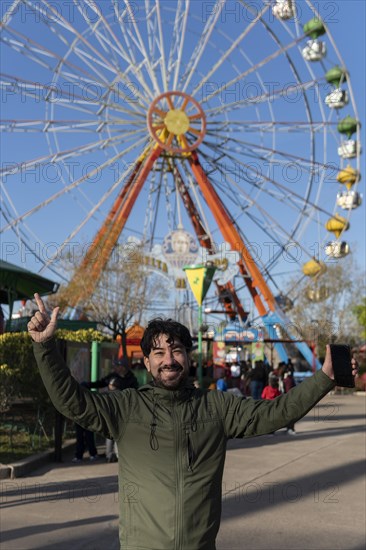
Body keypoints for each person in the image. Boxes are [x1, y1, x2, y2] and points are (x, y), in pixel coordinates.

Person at [28, 293, 358, 550]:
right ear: (147, 362)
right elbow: (72, 401)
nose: (168, 360)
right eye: (158, 353)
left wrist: (325, 377)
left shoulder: (217, 407)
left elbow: (276, 413)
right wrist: (45, 349)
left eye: (176, 351)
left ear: (189, 356)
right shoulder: (127, 407)